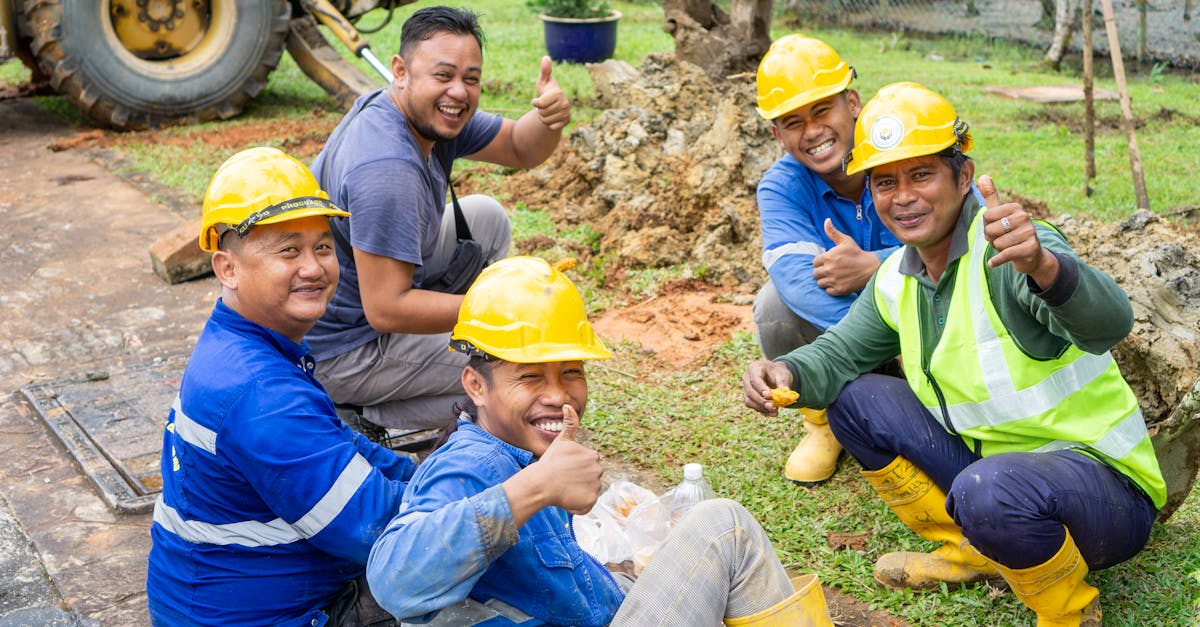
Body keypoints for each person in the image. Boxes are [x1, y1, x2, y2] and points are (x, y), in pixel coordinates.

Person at [742, 82, 1165, 626]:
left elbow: (1111, 325)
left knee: (987, 490)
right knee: (855, 401)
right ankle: (975, 550)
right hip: (993, 474)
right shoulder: (897, 276)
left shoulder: (1012, 251)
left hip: (1103, 491)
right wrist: (785, 370)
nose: (903, 197)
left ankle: (1069, 612)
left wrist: (1046, 269)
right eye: (885, 182)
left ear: (963, 178)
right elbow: (837, 356)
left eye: (922, 175)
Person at [366, 256, 833, 626]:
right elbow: (394, 583)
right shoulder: (471, 466)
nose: (558, 395)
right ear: (476, 386)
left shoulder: (524, 456)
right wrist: (538, 487)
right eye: (530, 377)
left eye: (572, 372)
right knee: (725, 527)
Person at [146, 147, 417, 626]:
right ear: (227, 268)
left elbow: (345, 446)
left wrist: (428, 474)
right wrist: (502, 498)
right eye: (289, 251)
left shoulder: (242, 344)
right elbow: (378, 530)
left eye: (323, 247)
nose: (313, 267)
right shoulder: (262, 393)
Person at [306, 6, 572, 432]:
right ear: (401, 71)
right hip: (342, 350)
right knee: (518, 372)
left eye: (471, 79)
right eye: (443, 75)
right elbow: (387, 309)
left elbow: (520, 146)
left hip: (360, 299)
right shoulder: (387, 169)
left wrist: (547, 120)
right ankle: (360, 414)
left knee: (485, 218)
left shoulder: (427, 114)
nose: (459, 92)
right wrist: (506, 306)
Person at [753, 34, 901, 486]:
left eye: (822, 111)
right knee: (775, 307)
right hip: (863, 336)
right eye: (793, 122)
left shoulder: (901, 148)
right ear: (777, 135)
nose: (813, 131)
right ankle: (825, 422)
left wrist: (876, 266)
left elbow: (967, 238)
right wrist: (880, 341)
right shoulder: (781, 188)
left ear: (852, 103)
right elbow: (796, 281)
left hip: (931, 323)